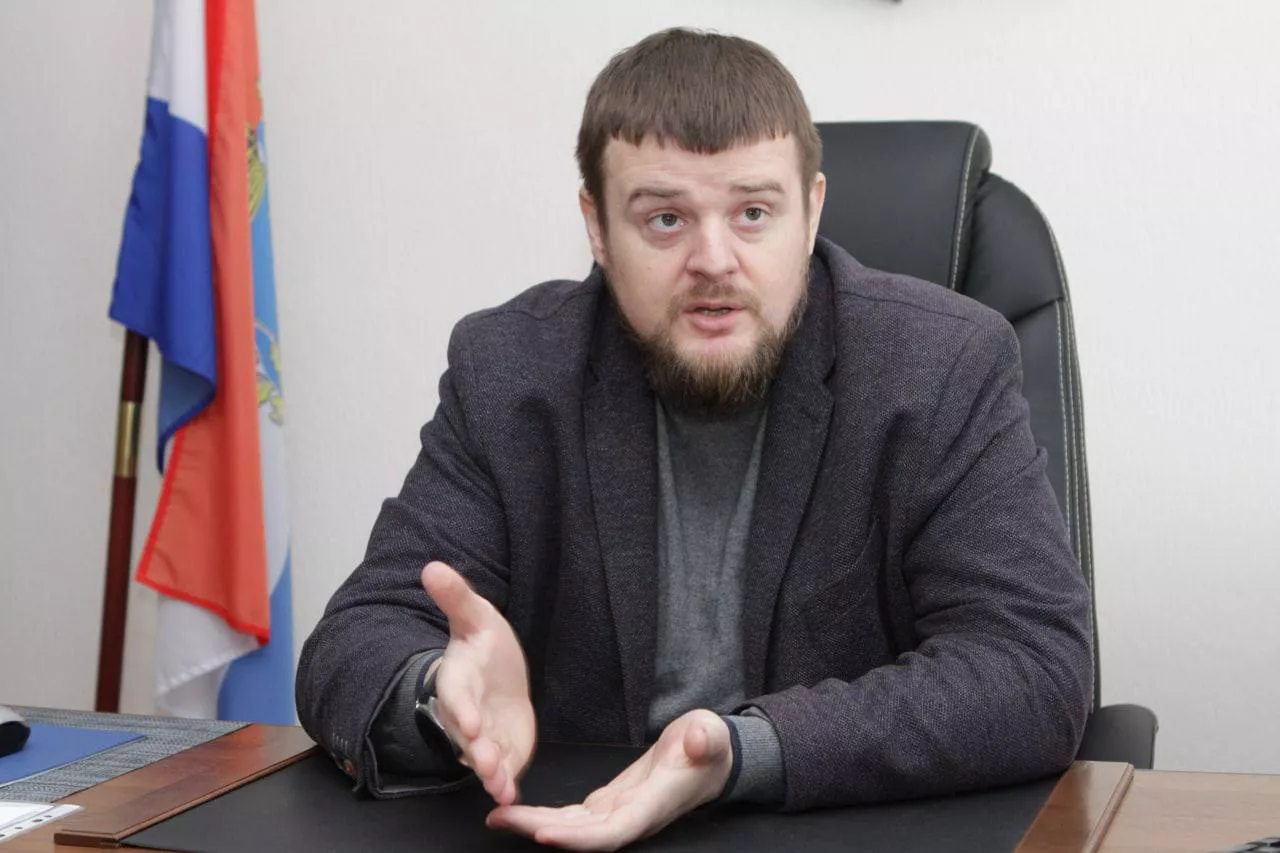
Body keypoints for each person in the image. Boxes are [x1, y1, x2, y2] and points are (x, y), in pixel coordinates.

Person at [296, 27, 1093, 851]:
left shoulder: (940, 366)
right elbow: (355, 639)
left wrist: (743, 750)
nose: (715, 260)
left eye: (753, 213)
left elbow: (1032, 668)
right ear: (597, 227)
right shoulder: (509, 370)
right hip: (566, 831)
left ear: (812, 211)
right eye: (666, 218)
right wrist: (440, 693)